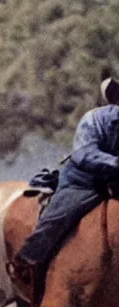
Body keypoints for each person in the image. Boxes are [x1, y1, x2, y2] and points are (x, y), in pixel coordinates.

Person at [9, 77, 119, 292]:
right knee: (58, 217)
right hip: (85, 182)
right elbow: (85, 154)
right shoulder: (94, 119)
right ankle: (25, 263)